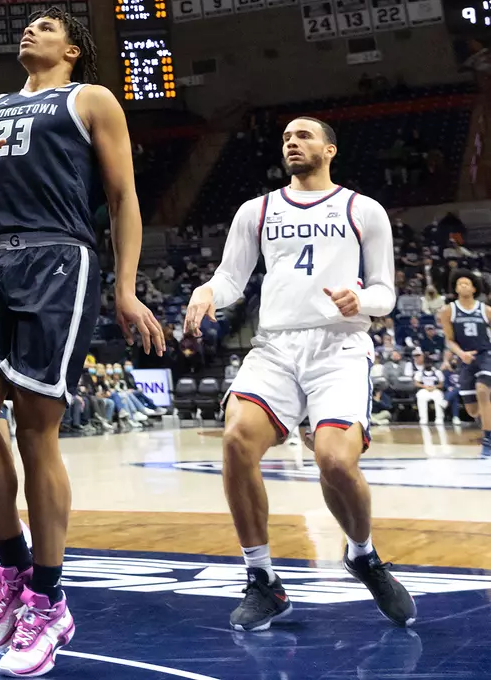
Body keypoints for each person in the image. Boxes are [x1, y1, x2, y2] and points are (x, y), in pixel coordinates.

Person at [0, 8, 164, 676]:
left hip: (60, 260)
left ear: (71, 49)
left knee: (37, 429)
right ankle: (10, 569)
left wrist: (125, 288)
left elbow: (124, 198)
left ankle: (48, 597)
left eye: (45, 27)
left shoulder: (91, 98)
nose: (28, 32)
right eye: (27, 27)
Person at [186, 116, 414, 634]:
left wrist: (365, 300)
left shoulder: (363, 209)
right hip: (276, 347)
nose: (292, 142)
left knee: (334, 461)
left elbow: (385, 290)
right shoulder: (257, 210)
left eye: (304, 135)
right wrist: (206, 293)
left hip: (340, 347)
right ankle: (262, 579)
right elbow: (230, 279)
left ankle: (362, 555)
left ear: (330, 149)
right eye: (286, 136)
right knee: (237, 440)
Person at [439, 270, 491, 457]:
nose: (462, 286)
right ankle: (487, 421)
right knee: (472, 410)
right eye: (459, 283)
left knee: (483, 391)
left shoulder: (485, 310)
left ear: (474, 288)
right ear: (455, 288)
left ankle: (488, 442)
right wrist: (461, 353)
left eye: (466, 283)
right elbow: (450, 340)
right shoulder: (448, 311)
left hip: (485, 356)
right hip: (465, 360)